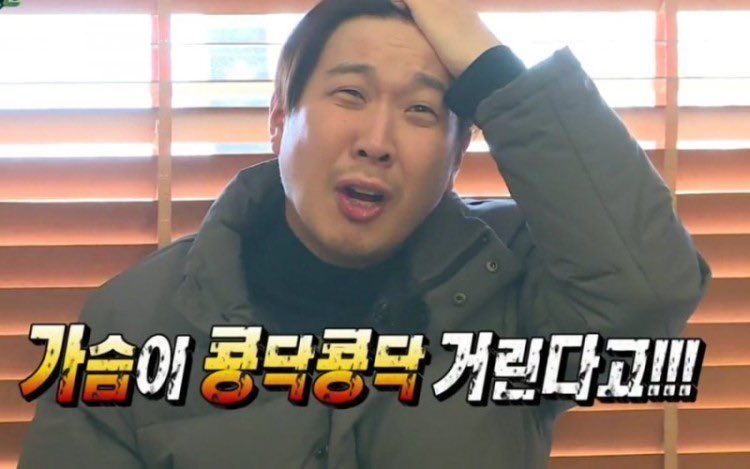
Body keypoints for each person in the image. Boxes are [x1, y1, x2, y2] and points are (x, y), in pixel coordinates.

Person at [19, 0, 711, 467]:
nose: (377, 140)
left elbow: (647, 294)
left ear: (457, 153)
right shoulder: (130, 324)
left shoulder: (514, 279)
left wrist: (481, 54)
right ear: (278, 119)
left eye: (420, 111)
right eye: (349, 94)